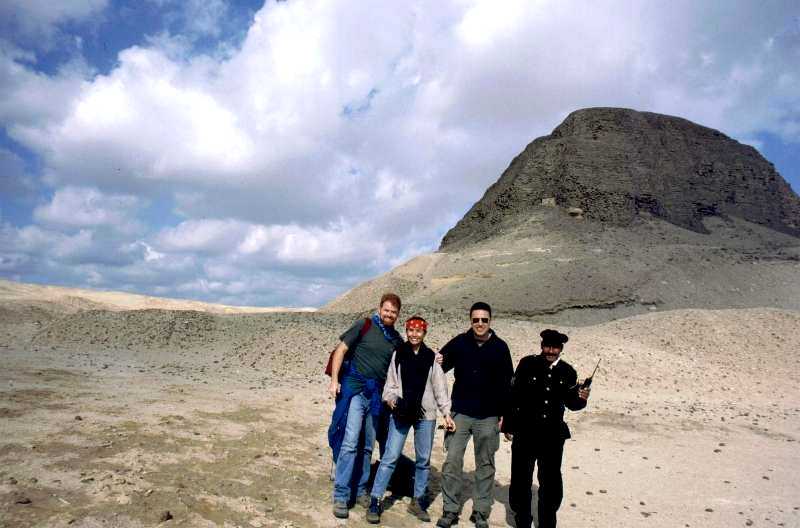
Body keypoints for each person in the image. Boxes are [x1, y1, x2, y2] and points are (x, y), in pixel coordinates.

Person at [366, 315, 457, 524]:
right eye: (411, 330)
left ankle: (418, 501)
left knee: (423, 460)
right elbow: (390, 384)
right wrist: (391, 401)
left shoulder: (431, 357)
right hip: (401, 412)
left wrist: (446, 413)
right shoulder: (399, 353)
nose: (414, 334)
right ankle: (375, 499)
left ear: (424, 333)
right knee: (390, 456)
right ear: (406, 331)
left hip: (426, 414)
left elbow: (440, 387)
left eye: (419, 331)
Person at [502, 329, 591, 528]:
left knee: (550, 483)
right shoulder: (527, 364)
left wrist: (582, 398)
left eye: (555, 347)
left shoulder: (568, 372)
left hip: (552, 437)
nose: (551, 350)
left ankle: (547, 522)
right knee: (520, 480)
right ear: (542, 346)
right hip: (525, 433)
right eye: (547, 346)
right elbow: (513, 395)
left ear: (561, 349)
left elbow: (572, 403)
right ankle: (522, 519)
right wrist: (508, 424)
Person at [435, 302, 514, 528]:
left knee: (485, 464)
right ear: (470, 320)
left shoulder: (500, 347)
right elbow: (439, 367)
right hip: (460, 413)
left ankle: (480, 511)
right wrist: (438, 361)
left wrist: (506, 417)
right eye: (476, 319)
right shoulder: (460, 342)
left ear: (490, 321)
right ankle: (450, 510)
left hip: (489, 416)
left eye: (484, 320)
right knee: (451, 461)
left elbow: (508, 385)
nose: (480, 323)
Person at [327, 293, 404, 519]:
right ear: (380, 308)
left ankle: (360, 489)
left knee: (368, 445)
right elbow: (340, 350)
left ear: (398, 315)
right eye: (386, 310)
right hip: (356, 391)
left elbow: (406, 360)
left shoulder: (396, 339)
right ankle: (341, 495)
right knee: (350, 441)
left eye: (394, 312)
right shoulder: (365, 325)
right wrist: (334, 382)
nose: (389, 314)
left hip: (376, 397)